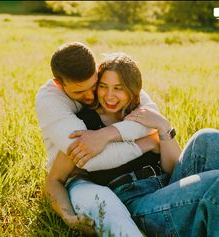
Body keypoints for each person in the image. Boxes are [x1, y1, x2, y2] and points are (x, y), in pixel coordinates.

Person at [48, 53, 219, 237]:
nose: (109, 95)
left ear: (132, 90)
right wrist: (67, 215)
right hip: (137, 204)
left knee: (212, 138)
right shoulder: (85, 125)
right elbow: (54, 180)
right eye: (103, 87)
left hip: (166, 188)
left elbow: (172, 168)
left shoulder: (141, 116)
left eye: (118, 88)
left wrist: (163, 126)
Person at [35, 42, 160, 236]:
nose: (91, 95)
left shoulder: (106, 79)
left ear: (97, 69)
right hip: (77, 178)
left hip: (117, 176)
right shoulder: (49, 101)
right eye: (78, 92)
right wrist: (148, 143)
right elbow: (91, 159)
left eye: (94, 86)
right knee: (107, 208)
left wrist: (107, 134)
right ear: (59, 84)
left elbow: (150, 114)